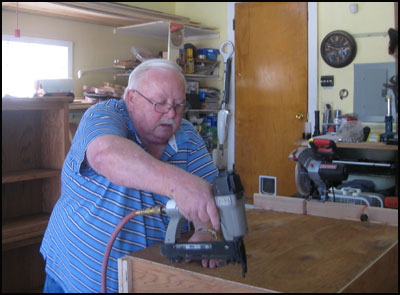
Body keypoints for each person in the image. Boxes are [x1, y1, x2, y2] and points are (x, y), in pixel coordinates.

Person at [40, 59, 221, 293]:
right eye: (160, 103)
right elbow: (106, 155)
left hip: (145, 281)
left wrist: (205, 230)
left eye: (178, 105)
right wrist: (179, 184)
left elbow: (208, 196)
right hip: (73, 278)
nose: (171, 114)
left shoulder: (188, 137)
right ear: (131, 99)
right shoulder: (103, 115)